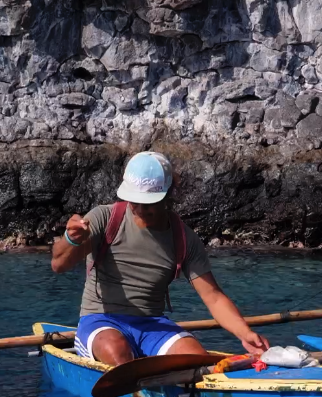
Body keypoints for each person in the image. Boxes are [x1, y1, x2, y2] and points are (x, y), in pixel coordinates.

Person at [51, 151, 270, 365]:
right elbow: (58, 265)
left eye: (149, 202)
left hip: (152, 325)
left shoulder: (184, 238)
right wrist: (72, 240)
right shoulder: (104, 218)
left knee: (197, 362)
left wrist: (245, 332)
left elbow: (213, 297)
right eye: (134, 201)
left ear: (168, 193)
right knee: (117, 351)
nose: (140, 209)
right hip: (100, 320)